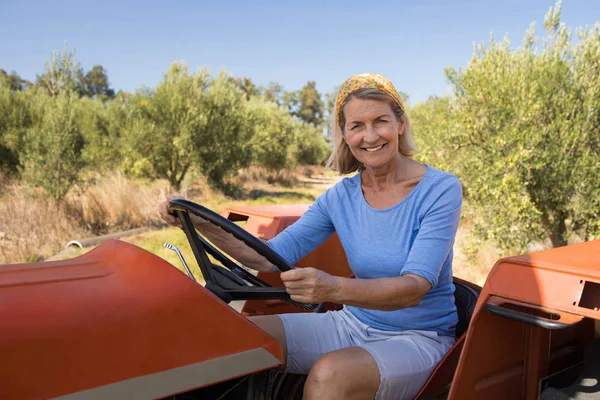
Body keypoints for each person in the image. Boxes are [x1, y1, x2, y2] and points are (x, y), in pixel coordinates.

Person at [159, 73, 462, 400]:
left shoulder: (439, 189)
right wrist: (201, 223)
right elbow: (264, 255)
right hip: (350, 325)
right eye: (357, 125)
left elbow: (414, 289)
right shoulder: (340, 197)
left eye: (381, 121)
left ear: (400, 124)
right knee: (232, 334)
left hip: (418, 337)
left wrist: (333, 287)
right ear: (344, 134)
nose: (370, 135)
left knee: (329, 375)